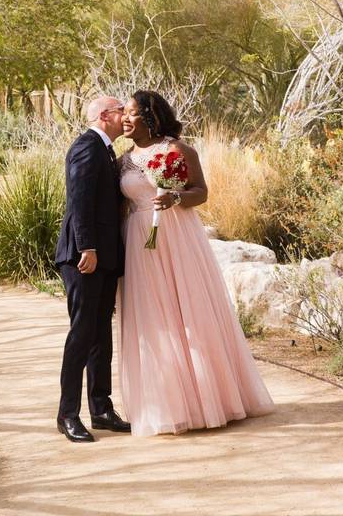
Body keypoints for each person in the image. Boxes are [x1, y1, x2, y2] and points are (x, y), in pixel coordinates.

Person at [118, 90, 275, 437]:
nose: (125, 120)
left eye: (131, 113)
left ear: (151, 116)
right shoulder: (123, 161)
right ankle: (170, 403)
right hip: (140, 244)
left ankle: (209, 398)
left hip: (177, 236)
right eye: (123, 114)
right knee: (155, 319)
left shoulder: (177, 150)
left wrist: (175, 197)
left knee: (188, 312)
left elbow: (201, 192)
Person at [53, 96, 132, 442]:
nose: (125, 116)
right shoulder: (86, 147)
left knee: (100, 335)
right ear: (104, 116)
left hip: (102, 258)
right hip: (83, 257)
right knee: (82, 334)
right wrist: (87, 246)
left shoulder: (106, 150)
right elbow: (80, 200)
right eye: (120, 111)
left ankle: (101, 409)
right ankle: (67, 414)